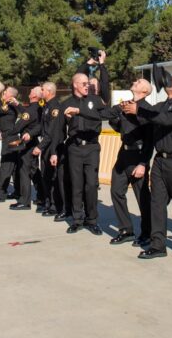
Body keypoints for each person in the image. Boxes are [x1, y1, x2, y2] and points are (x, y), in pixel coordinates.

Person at [122, 80, 172, 261]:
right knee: (156, 204)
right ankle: (158, 245)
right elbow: (146, 119)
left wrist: (139, 111)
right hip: (160, 161)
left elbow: (165, 119)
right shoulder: (160, 105)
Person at [105, 78, 154, 247]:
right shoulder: (125, 105)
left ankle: (148, 233)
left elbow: (150, 140)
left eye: (140, 81)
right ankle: (126, 230)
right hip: (123, 154)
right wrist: (115, 120)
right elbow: (120, 127)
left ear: (145, 91)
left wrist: (143, 163)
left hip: (138, 155)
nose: (135, 81)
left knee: (142, 197)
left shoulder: (147, 109)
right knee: (116, 191)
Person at [61, 73, 107, 235]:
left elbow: (105, 114)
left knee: (92, 184)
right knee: (76, 184)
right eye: (83, 83)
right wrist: (54, 152)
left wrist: (80, 111)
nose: (87, 86)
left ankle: (92, 220)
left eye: (88, 83)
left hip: (92, 147)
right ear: (75, 85)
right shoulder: (66, 104)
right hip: (74, 148)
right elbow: (59, 130)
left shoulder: (95, 100)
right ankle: (77, 220)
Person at [12, 86, 43, 210]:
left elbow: (19, 125)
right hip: (33, 142)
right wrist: (17, 104)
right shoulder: (39, 109)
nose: (29, 93)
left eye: (30, 92)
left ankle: (25, 201)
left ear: (34, 96)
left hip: (27, 144)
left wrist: (7, 132)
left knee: (24, 172)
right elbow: (28, 113)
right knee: (34, 171)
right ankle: (42, 196)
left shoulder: (30, 111)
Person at [36, 82, 64, 217]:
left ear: (49, 91)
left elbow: (52, 132)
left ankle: (55, 206)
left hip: (53, 146)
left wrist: (40, 147)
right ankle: (48, 203)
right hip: (46, 146)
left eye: (42, 89)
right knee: (45, 176)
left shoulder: (55, 107)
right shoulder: (46, 105)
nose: (41, 91)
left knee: (53, 177)